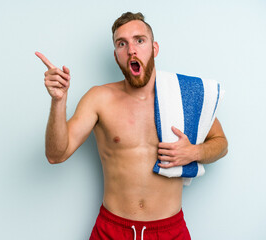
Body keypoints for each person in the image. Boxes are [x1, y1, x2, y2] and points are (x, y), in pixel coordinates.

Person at [36, 12, 228, 240]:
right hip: (112, 230)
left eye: (139, 40)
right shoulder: (99, 98)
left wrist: (195, 151)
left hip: (170, 231)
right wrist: (58, 100)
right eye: (122, 43)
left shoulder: (182, 94)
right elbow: (56, 154)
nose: (131, 50)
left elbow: (222, 144)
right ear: (116, 55)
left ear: (154, 48)